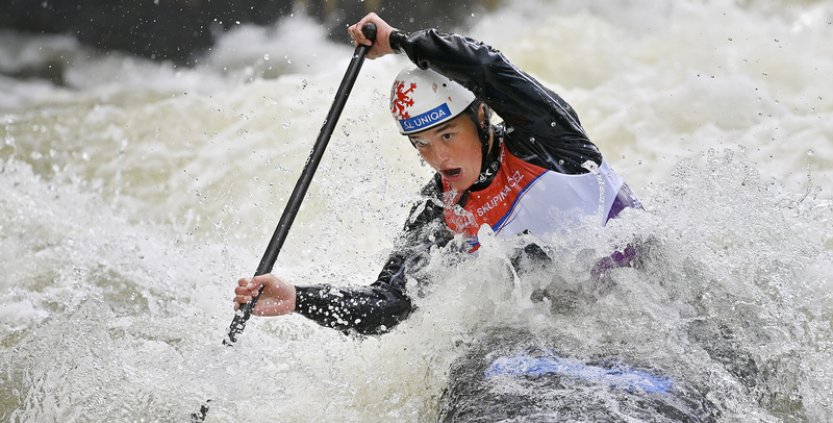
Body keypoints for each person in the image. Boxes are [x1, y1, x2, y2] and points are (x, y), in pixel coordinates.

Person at [233, 12, 641, 335]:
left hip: (649, 298)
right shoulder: (442, 207)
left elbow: (484, 66)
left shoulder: (549, 141)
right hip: (567, 325)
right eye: (421, 144)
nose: (438, 157)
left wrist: (397, 42)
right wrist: (298, 298)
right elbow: (389, 304)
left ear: (481, 115)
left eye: (447, 135)